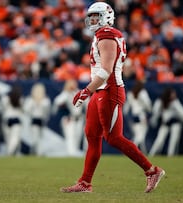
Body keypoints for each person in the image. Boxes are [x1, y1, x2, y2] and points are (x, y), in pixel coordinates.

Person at [60, 2, 165, 193]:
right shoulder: (101, 35)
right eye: (90, 16)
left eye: (96, 16)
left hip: (109, 90)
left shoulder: (107, 35)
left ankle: (152, 171)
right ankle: (85, 182)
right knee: (92, 135)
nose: (92, 20)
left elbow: (106, 70)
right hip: (100, 90)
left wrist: (87, 90)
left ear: (106, 16)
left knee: (114, 137)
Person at [149, 87, 183, 157]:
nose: (174, 95)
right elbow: (155, 113)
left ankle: (171, 156)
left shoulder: (175, 102)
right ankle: (151, 155)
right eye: (172, 93)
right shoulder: (160, 101)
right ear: (168, 94)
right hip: (165, 124)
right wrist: (153, 121)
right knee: (159, 140)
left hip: (175, 123)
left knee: (173, 141)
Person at [52, 79, 86, 156]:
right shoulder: (66, 94)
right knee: (70, 136)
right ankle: (71, 153)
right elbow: (57, 101)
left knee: (77, 136)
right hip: (69, 118)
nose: (73, 86)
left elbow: (87, 104)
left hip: (79, 118)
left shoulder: (80, 93)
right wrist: (66, 94)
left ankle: (75, 153)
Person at [123, 80, 152, 154]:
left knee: (138, 136)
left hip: (134, 117)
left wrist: (126, 115)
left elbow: (126, 108)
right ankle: (130, 150)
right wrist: (149, 110)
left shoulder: (130, 93)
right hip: (141, 115)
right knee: (140, 136)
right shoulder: (143, 92)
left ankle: (143, 153)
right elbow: (148, 104)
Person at [23, 82, 51, 156]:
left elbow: (47, 111)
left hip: (41, 120)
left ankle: (39, 152)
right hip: (34, 120)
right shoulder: (30, 100)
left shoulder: (45, 100)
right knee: (35, 138)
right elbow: (26, 110)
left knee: (41, 137)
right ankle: (35, 151)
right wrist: (34, 104)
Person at [2, 85, 24, 156]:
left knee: (9, 139)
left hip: (8, 119)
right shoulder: (20, 99)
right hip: (16, 119)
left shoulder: (6, 98)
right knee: (14, 138)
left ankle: (11, 152)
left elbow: (3, 108)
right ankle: (10, 152)